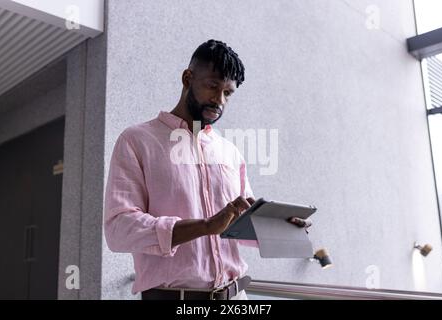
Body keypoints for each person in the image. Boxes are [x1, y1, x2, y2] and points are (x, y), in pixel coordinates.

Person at [104, 39, 309, 300]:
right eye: (212, 86)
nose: (219, 100)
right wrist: (205, 226)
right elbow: (118, 229)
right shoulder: (136, 140)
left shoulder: (229, 152)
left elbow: (239, 224)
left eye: (228, 93)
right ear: (187, 78)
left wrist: (281, 226)